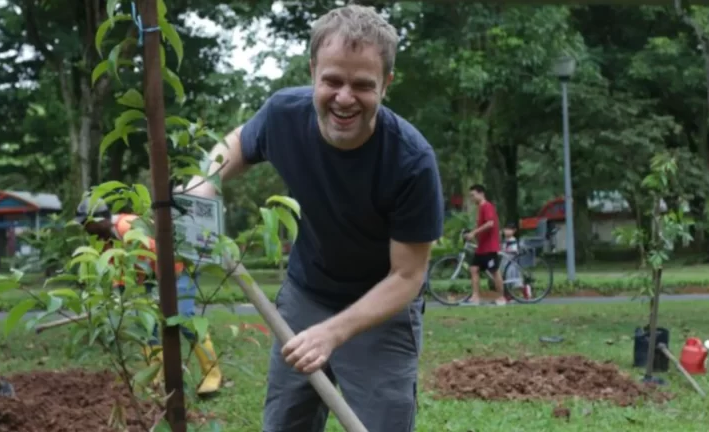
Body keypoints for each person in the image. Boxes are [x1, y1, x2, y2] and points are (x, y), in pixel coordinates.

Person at [183, 5, 444, 431]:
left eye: (363, 85)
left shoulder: (410, 162)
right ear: (313, 72)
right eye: (332, 80)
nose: (345, 98)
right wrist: (203, 181)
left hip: (381, 309)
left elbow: (407, 276)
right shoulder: (284, 114)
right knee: (286, 424)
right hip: (306, 296)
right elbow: (240, 143)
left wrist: (332, 333)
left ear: (386, 84)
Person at [73, 198, 222, 396]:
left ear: (99, 220)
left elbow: (161, 254)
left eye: (87, 224)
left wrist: (161, 293)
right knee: (146, 324)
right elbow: (118, 273)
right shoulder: (106, 239)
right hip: (152, 277)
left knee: (185, 318)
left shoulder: (128, 227)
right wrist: (118, 297)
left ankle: (212, 374)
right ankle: (156, 375)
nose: (85, 229)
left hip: (179, 268)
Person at [463, 184, 506, 306]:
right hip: (482, 247)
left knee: (494, 271)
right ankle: (475, 297)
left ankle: (501, 297)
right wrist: (473, 234)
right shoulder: (481, 208)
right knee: (473, 269)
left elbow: (490, 223)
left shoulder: (487, 206)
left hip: (490, 247)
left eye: (473, 195)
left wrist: (474, 232)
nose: (472, 198)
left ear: (481, 194)